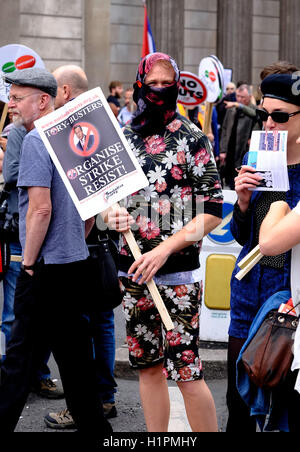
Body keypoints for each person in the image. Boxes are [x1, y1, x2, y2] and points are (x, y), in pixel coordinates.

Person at [105, 52, 223, 432]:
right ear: (139, 83)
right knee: (148, 369)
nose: (158, 90)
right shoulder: (122, 138)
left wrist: (164, 249)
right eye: (151, 83)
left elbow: (212, 210)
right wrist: (111, 217)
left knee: (188, 372)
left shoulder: (192, 138)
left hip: (178, 278)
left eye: (165, 83)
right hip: (133, 274)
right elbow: (105, 203)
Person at [0, 67, 112, 434]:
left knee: (19, 359)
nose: (11, 105)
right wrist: (72, 237)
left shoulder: (35, 141)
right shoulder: (72, 137)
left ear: (44, 100)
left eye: (17, 98)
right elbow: (91, 212)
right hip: (74, 261)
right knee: (76, 359)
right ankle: (98, 430)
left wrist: (29, 261)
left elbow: (40, 209)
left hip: (45, 266)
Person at [43, 64, 117, 429]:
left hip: (86, 243)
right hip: (98, 238)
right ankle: (102, 398)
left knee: (88, 323)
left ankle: (92, 402)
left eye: (54, 89)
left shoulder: (69, 131)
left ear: (67, 92)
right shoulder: (100, 126)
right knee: (99, 321)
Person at [226, 72, 300, 432]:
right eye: (264, 114)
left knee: (280, 408)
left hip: (288, 303)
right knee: (237, 402)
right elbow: (243, 236)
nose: (269, 123)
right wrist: (241, 202)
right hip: (246, 295)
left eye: (281, 116)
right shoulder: (257, 155)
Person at [0, 121, 63, 400]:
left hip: (51, 238)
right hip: (19, 230)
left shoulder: (57, 130)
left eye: (18, 98)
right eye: (12, 98)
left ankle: (35, 375)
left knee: (49, 319)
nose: (13, 104)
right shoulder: (19, 133)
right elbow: (12, 174)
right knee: (16, 313)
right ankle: (13, 377)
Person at [219, 84, 257, 189]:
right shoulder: (231, 109)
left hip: (243, 151)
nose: (239, 99)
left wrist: (238, 105)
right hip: (229, 149)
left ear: (249, 96)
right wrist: (222, 150)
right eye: (238, 96)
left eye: (242, 97)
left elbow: (255, 115)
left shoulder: (253, 110)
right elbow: (224, 129)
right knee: (227, 181)